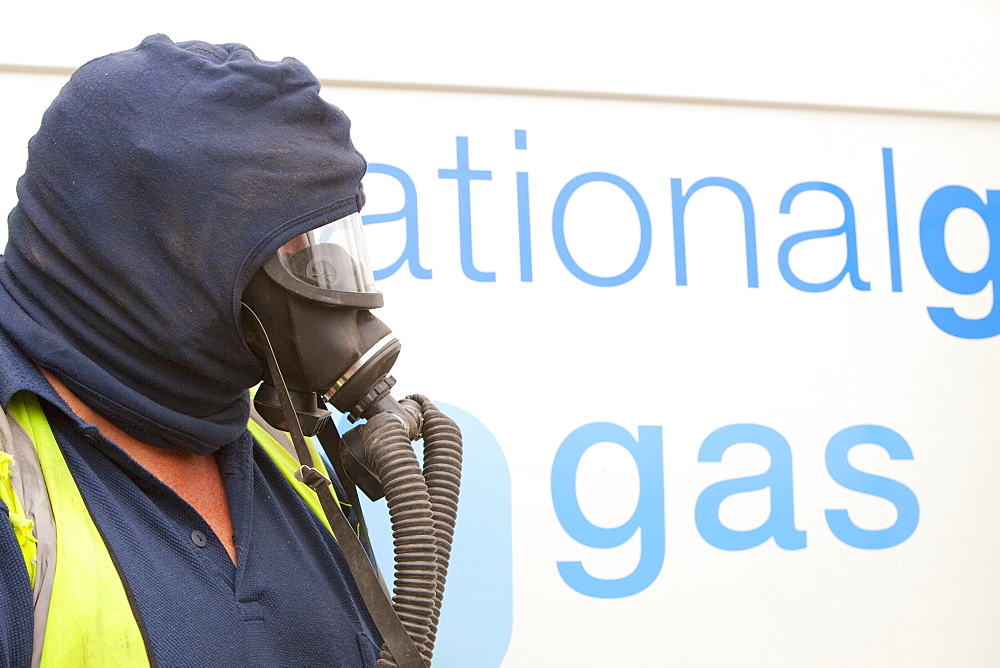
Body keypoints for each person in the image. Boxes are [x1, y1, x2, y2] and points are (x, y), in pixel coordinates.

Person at [0, 34, 384, 666]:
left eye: (322, 239)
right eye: (287, 246)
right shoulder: (20, 476)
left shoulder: (289, 448)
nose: (318, 273)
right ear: (145, 252)